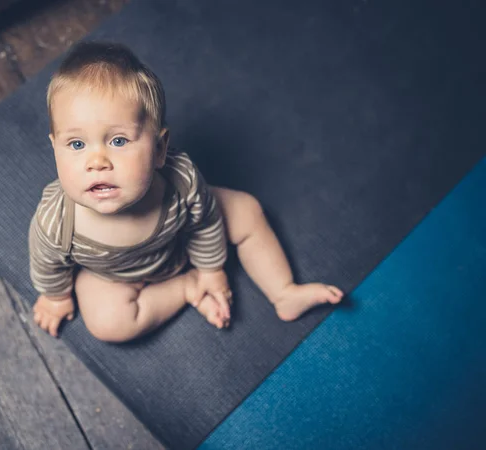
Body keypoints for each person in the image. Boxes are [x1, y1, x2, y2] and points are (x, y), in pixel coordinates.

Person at [29, 41, 343, 342]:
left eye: (119, 141)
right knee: (108, 322)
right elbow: (48, 265)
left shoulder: (180, 180)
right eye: (77, 144)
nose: (97, 162)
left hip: (181, 238)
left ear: (160, 149)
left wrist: (212, 268)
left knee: (246, 211)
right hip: (117, 275)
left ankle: (284, 291)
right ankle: (186, 288)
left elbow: (206, 221)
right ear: (55, 147)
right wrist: (55, 297)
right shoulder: (57, 222)